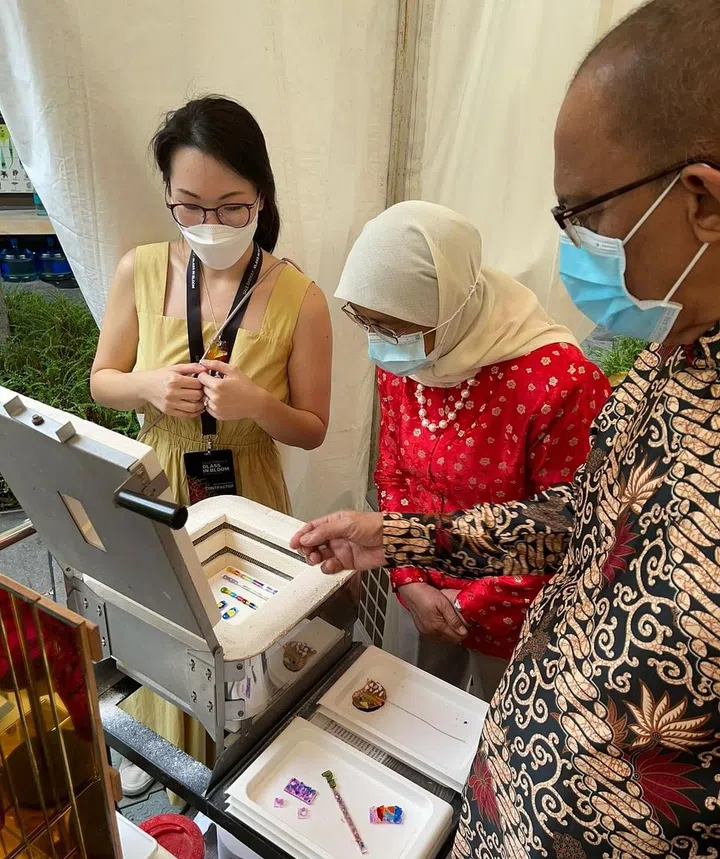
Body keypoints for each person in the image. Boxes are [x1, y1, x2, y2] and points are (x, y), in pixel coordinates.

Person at [291, 1, 720, 855]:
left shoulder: (561, 379)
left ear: (700, 199)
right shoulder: (670, 361)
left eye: (584, 215)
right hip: (502, 804)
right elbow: (580, 520)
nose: (573, 252)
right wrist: (397, 541)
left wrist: (464, 600)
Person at [91, 96, 332, 797]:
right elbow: (103, 380)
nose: (210, 223)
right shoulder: (140, 269)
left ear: (261, 194)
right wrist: (149, 387)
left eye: (231, 206)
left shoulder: (300, 298)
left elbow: (312, 425)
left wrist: (259, 405)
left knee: (243, 641)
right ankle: (168, 746)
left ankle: (242, 778)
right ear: (167, 195)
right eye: (190, 205)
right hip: (159, 479)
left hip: (251, 493)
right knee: (163, 626)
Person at [335, 200, 609, 698]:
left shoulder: (559, 383)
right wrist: (411, 580)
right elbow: (393, 472)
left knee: (493, 734)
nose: (382, 343)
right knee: (415, 717)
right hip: (420, 587)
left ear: (453, 305)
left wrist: (466, 604)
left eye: (396, 328)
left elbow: (567, 528)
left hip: (516, 613)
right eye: (368, 324)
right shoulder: (408, 364)